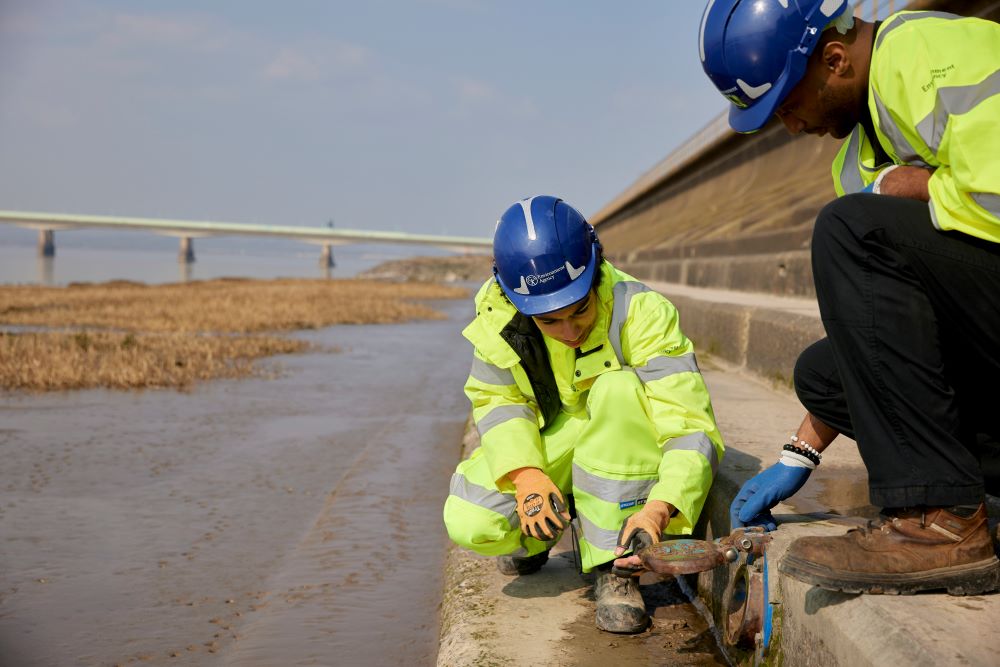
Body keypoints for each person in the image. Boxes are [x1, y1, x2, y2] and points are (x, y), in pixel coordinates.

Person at [699, 0, 1000, 595]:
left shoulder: (933, 54)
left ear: (834, 59)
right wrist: (799, 454)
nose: (791, 128)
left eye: (787, 106)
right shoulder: (855, 161)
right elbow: (882, 333)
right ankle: (977, 493)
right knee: (824, 375)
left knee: (850, 227)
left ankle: (939, 520)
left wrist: (917, 186)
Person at [443, 195, 725, 633]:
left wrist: (660, 508)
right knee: (471, 518)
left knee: (616, 388)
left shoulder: (642, 311)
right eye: (549, 322)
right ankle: (542, 531)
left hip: (622, 441)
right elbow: (499, 404)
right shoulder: (497, 320)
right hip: (556, 438)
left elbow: (688, 425)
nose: (570, 332)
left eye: (580, 310)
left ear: (596, 271)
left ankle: (615, 566)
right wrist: (525, 476)